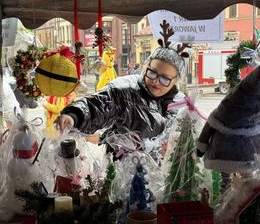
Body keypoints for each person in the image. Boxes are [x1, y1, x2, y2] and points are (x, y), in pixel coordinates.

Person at [55, 20, 189, 152]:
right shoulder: (124, 90)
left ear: (176, 80)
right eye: (152, 73)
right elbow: (99, 104)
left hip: (164, 171)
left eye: (165, 78)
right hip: (121, 169)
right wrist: (74, 116)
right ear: (146, 67)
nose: (155, 81)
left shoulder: (181, 105)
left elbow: (186, 138)